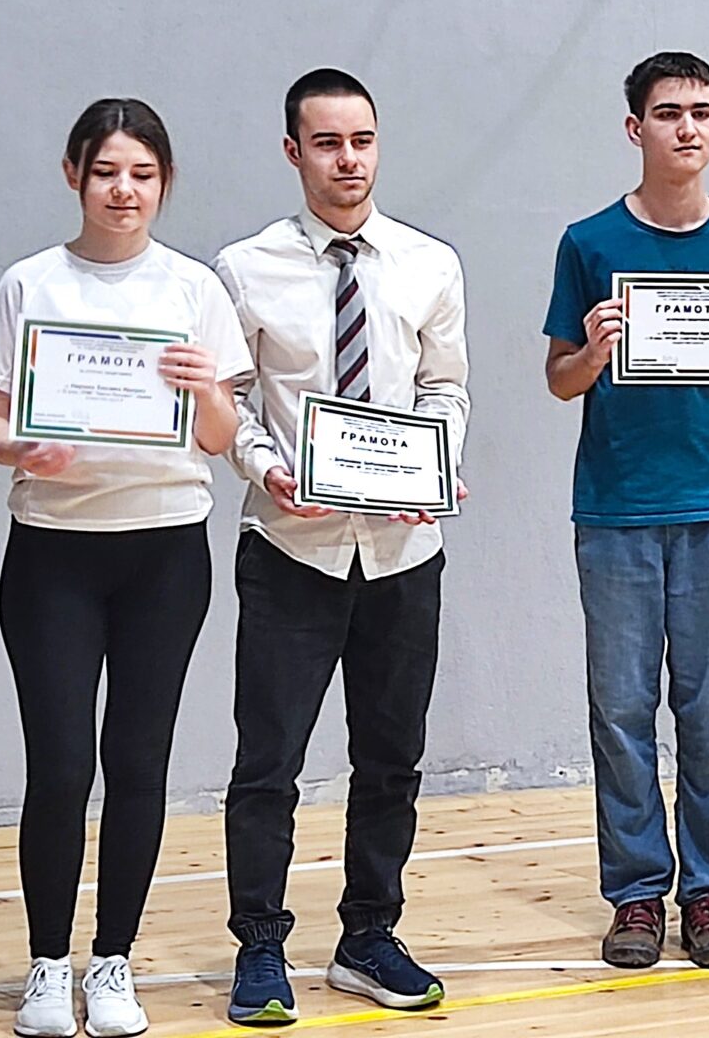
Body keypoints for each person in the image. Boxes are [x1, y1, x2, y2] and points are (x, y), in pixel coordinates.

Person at [0, 99, 250, 1037]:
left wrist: (203, 390)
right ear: (73, 176)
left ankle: (113, 961)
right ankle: (47, 964)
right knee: (60, 765)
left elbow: (220, 436)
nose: (123, 190)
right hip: (52, 552)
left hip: (164, 551)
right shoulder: (29, 283)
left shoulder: (193, 288)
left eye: (142, 173)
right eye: (105, 172)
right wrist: (23, 448)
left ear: (164, 182)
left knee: (138, 761)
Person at [213, 68, 469, 1023]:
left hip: (403, 554)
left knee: (392, 758)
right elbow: (232, 401)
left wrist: (434, 469)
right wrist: (265, 467)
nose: (347, 160)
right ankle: (259, 946)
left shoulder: (429, 263)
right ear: (294, 152)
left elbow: (446, 388)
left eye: (361, 141)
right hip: (291, 549)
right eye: (326, 143)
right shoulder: (245, 268)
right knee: (268, 764)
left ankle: (368, 935)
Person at [543, 51, 709, 970]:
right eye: (667, 112)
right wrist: (593, 353)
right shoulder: (589, 243)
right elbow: (558, 379)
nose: (686, 127)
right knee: (620, 712)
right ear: (635, 128)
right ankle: (637, 894)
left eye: (700, 112)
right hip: (614, 509)